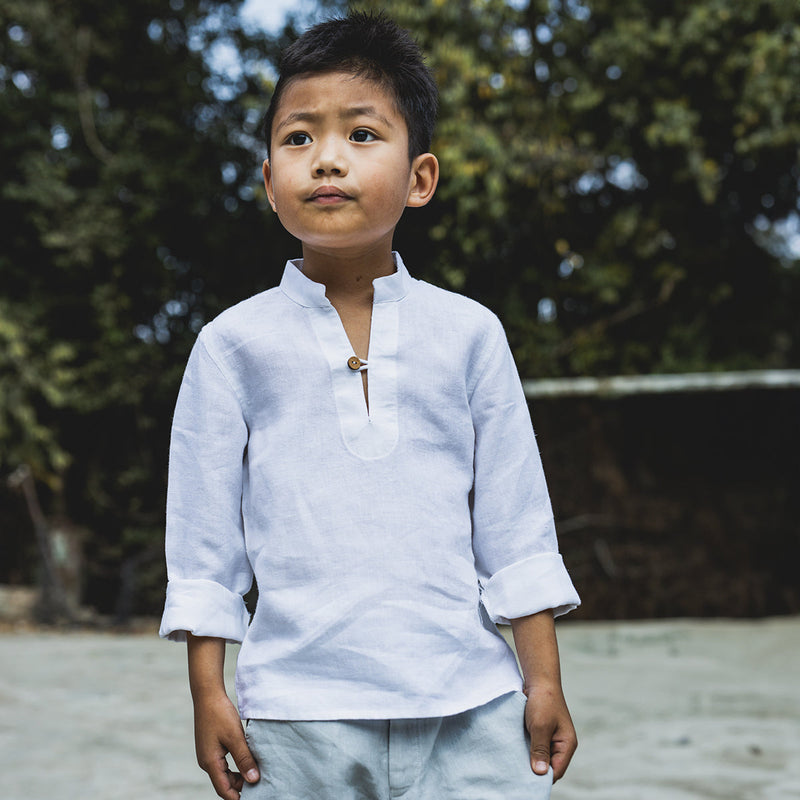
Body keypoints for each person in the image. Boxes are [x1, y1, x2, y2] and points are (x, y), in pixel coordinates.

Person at [160, 12, 580, 800]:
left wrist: (543, 679)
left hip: (470, 705)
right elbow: (204, 541)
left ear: (420, 178)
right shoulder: (231, 345)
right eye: (298, 138)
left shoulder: (469, 335)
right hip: (293, 717)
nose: (325, 158)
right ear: (267, 182)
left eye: (360, 135)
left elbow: (516, 523)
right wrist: (208, 692)